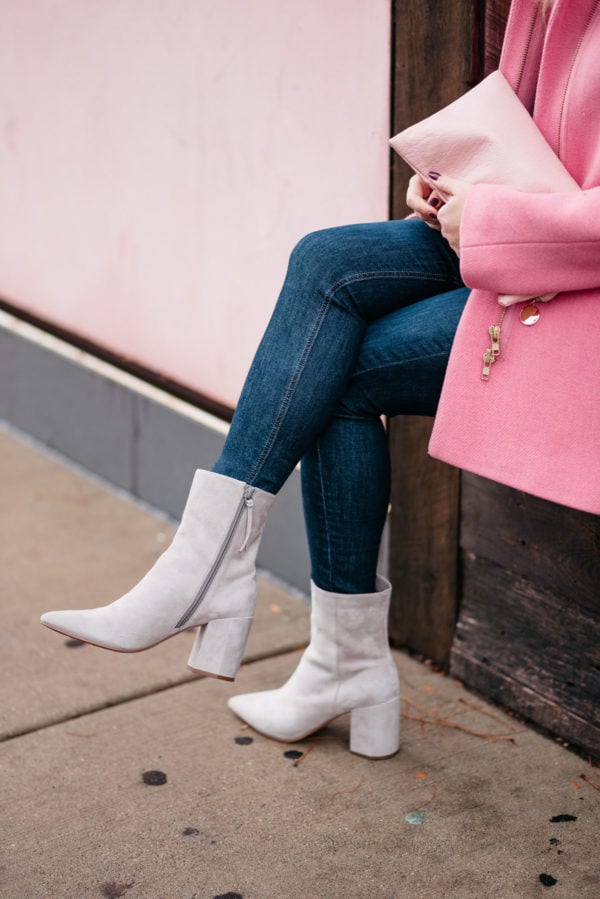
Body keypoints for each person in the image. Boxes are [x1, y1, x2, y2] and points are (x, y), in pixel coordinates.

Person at [41, 0, 599, 758]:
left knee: (335, 370)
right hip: (528, 237)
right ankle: (261, 604)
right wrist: (454, 191)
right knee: (324, 261)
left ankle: (298, 634)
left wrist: (492, 218)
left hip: (577, 282)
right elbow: (536, 138)